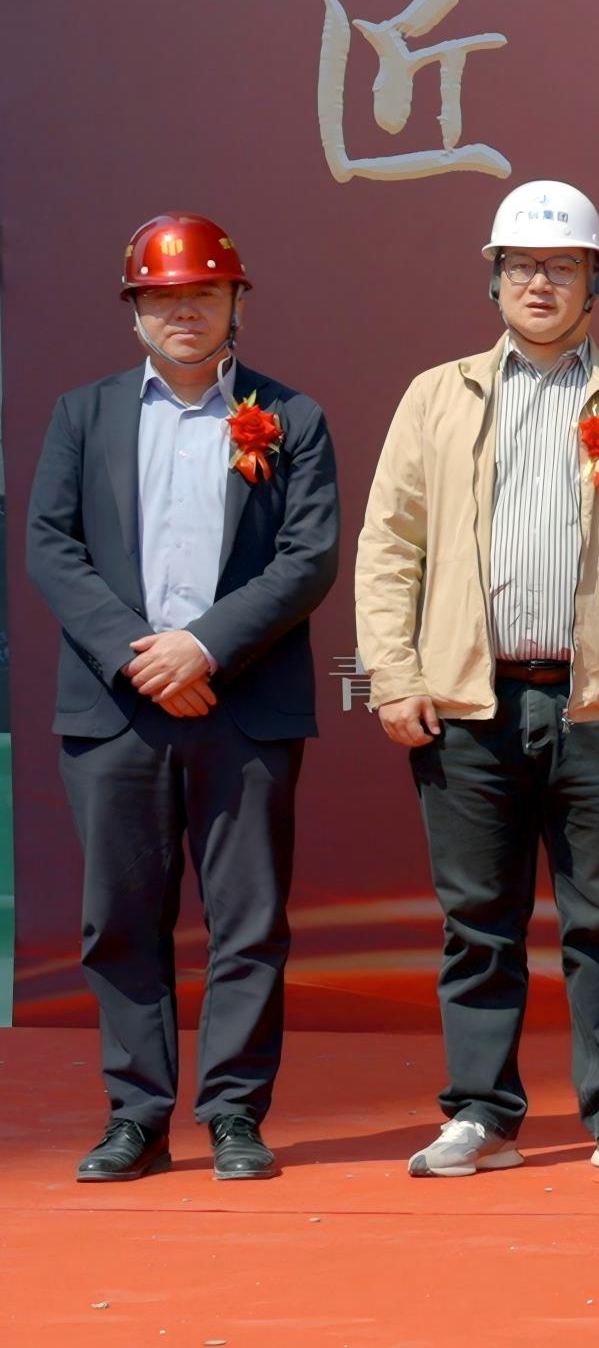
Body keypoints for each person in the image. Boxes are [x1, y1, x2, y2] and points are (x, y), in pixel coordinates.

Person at [353, 179, 599, 1179]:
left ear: (596, 281)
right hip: (467, 702)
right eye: (521, 265)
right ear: (495, 278)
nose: (540, 283)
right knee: (478, 920)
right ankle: (479, 1111)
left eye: (562, 266)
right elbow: (389, 545)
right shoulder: (438, 396)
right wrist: (395, 673)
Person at [26, 215, 340, 1182]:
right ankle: (137, 1115)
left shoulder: (291, 417)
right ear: (134, 311)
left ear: (238, 302)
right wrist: (143, 657)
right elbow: (51, 546)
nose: (184, 311)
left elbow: (308, 556)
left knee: (248, 921)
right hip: (116, 707)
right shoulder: (84, 414)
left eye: (204, 292)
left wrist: (203, 648)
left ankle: (236, 1112)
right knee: (120, 919)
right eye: (162, 297)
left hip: (242, 704)